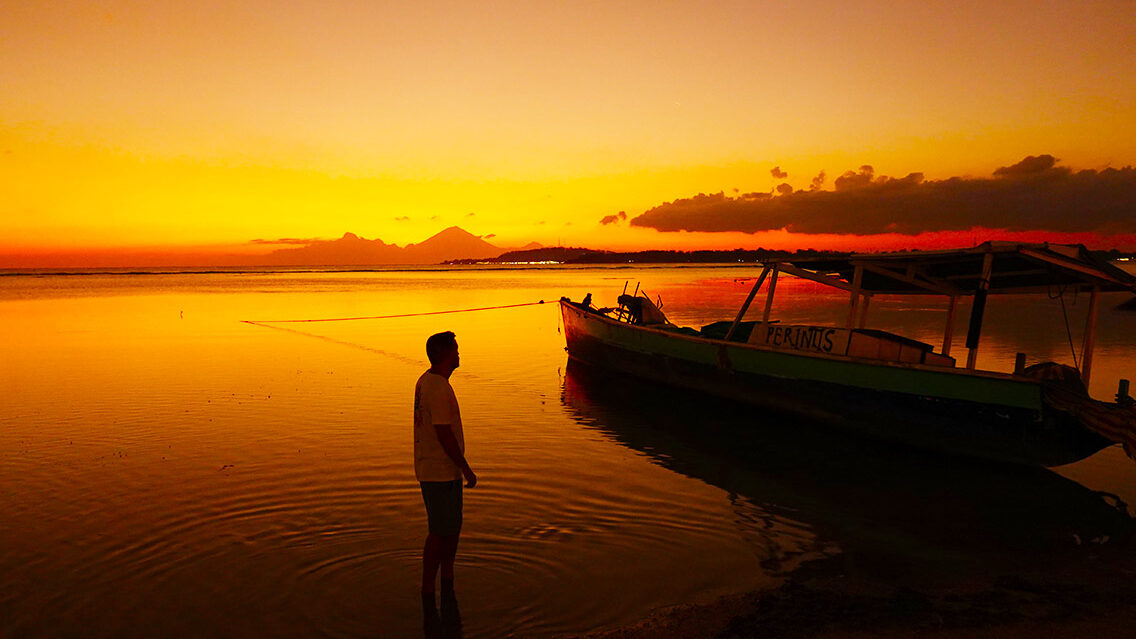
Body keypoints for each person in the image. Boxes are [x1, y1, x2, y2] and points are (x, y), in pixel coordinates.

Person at [414, 331, 477, 597]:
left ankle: (447, 577)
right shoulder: (437, 387)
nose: (458, 353)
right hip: (438, 471)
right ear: (444, 354)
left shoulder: (427, 381)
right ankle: (428, 587)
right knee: (440, 530)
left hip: (440, 470)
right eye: (455, 349)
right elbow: (443, 433)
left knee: (451, 526)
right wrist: (466, 468)